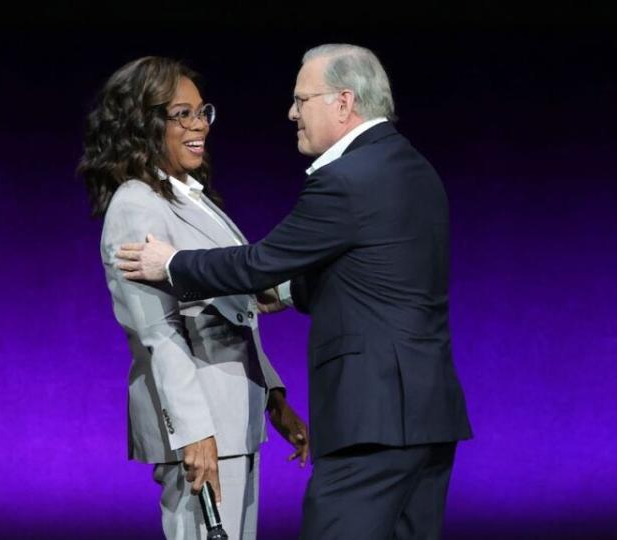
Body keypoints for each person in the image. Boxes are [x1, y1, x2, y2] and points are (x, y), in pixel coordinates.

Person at [117, 44, 473, 539]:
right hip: (429, 418)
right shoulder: (415, 169)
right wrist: (284, 295)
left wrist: (171, 263)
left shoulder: (347, 179)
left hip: (372, 421)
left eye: (302, 100)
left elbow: (258, 261)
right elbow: (371, 274)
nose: (291, 112)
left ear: (343, 103)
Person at [80, 56, 308, 540]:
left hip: (234, 416)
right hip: (201, 427)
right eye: (180, 114)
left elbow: (237, 309)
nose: (199, 124)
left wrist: (273, 395)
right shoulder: (136, 206)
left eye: (201, 111)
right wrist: (193, 433)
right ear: (142, 125)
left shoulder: (189, 195)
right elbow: (158, 332)